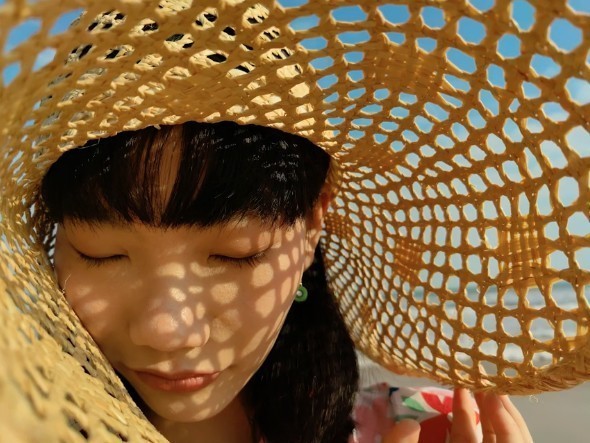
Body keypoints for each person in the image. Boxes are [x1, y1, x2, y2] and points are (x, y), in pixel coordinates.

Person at [40, 121, 533, 443]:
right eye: (101, 253)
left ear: (314, 222)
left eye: (236, 253)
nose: (169, 331)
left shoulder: (431, 432)